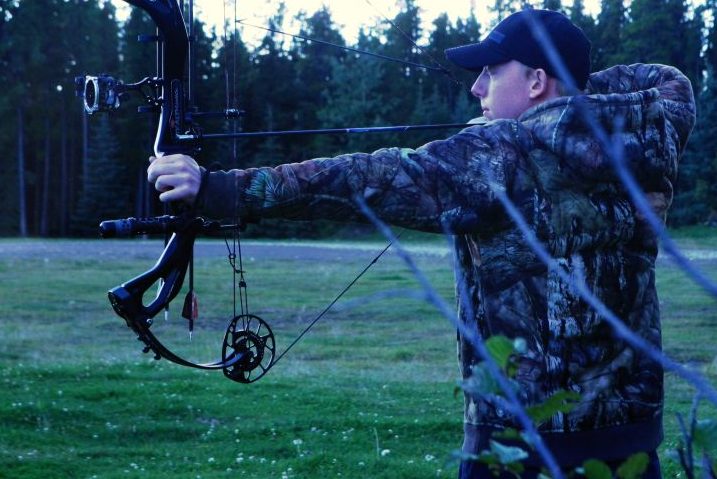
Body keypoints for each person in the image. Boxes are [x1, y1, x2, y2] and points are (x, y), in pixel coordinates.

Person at [147, 9, 695, 478]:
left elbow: (370, 177)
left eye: (490, 72)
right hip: (628, 447)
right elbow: (668, 80)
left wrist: (218, 188)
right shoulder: (644, 135)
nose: (477, 88)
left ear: (534, 81)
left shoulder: (505, 155)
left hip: (522, 450)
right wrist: (570, 94)